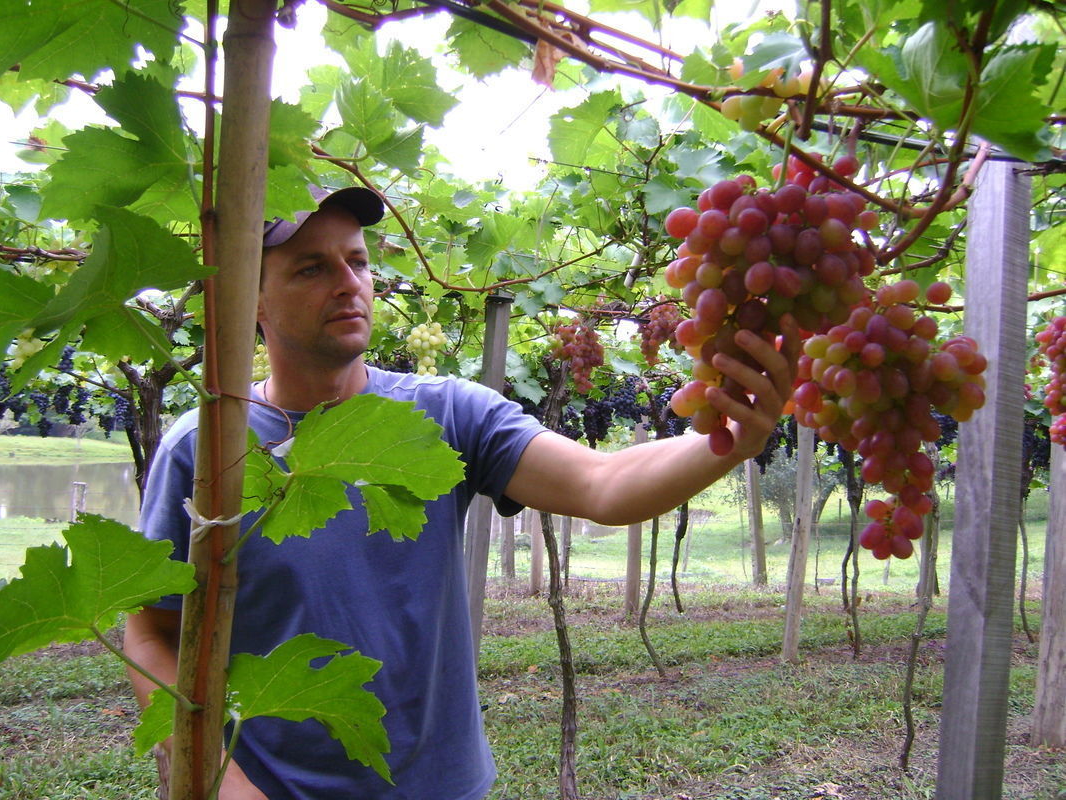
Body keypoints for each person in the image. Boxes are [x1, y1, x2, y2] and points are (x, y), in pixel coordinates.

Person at [124, 184, 799, 800]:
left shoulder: (448, 415)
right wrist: (221, 781)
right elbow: (151, 630)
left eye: (356, 262)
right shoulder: (205, 446)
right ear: (252, 300)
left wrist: (731, 439)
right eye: (311, 268)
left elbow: (604, 483)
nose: (348, 284)